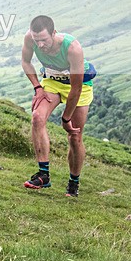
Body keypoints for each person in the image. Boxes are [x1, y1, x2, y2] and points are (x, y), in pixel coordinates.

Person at [21, 15, 95, 197]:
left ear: (54, 33)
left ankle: (73, 182)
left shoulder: (72, 48)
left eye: (44, 40)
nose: (40, 45)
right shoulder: (30, 38)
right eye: (37, 40)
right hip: (52, 81)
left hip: (78, 86)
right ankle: (43, 175)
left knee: (75, 136)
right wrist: (38, 88)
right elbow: (26, 62)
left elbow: (76, 89)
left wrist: (65, 118)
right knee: (37, 118)